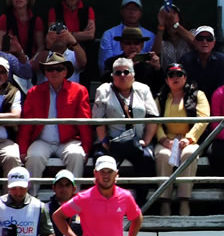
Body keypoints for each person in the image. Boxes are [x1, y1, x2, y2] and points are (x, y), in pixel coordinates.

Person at [19, 53, 92, 192]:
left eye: (58, 69)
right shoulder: (34, 92)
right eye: (49, 69)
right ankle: (31, 200)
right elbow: (26, 123)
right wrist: (23, 149)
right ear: (45, 73)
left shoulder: (79, 91)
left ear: (65, 72)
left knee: (77, 155)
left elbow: (84, 122)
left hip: (69, 141)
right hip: (42, 141)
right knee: (33, 157)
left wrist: (87, 148)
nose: (54, 72)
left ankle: (74, 200)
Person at [91, 57, 159, 204]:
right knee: (102, 162)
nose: (122, 75)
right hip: (111, 142)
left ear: (133, 75)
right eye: (118, 73)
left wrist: (146, 140)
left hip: (137, 141)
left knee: (147, 160)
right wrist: (104, 141)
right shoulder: (103, 90)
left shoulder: (143, 89)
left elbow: (153, 117)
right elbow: (98, 120)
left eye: (126, 72)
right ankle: (104, 202)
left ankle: (140, 203)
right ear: (112, 75)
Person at [154, 63, 210, 217]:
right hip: (168, 140)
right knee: (163, 156)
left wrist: (189, 139)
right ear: (166, 80)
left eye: (179, 74)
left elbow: (203, 119)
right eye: (171, 75)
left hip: (189, 139)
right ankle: (165, 203)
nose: (175, 78)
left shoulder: (198, 95)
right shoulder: (161, 97)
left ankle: (184, 202)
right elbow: (154, 120)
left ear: (185, 77)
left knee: (189, 154)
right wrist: (163, 139)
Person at [48, 0, 95, 83]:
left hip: (84, 54)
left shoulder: (88, 9)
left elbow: (90, 35)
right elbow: (54, 36)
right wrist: (78, 35)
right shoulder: (54, 10)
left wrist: (69, 35)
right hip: (61, 55)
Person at [98, 0, 156, 74]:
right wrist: (126, 63)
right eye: (128, 8)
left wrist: (157, 68)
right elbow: (104, 67)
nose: (131, 12)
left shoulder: (151, 36)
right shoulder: (109, 34)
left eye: (135, 9)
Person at [102, 27, 163, 93]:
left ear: (142, 45)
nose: (132, 46)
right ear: (121, 45)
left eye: (136, 43)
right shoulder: (112, 62)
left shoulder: (149, 63)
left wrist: (157, 69)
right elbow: (105, 82)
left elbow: (160, 86)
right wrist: (126, 64)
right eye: (128, 43)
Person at [0, 0, 44, 67]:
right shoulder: (4, 18)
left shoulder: (36, 20)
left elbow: (40, 47)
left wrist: (32, 61)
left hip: (32, 61)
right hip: (11, 60)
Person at [180, 25, 224, 100]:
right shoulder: (186, 60)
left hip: (216, 101)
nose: (204, 41)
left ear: (214, 43)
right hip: (192, 103)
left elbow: (223, 87)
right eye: (200, 39)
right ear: (195, 42)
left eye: (209, 39)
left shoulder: (221, 60)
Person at [152, 0, 195, 68]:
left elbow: (197, 44)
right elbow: (155, 54)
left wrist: (176, 24)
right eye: (166, 17)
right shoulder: (161, 41)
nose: (170, 17)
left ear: (179, 17)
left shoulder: (190, 33)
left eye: (174, 13)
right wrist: (161, 25)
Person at [0, 56, 24, 175]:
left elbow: (15, 117)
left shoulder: (13, 92)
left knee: (12, 157)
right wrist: (5, 118)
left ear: (7, 74)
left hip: (5, 141)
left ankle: (10, 193)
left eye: (2, 72)